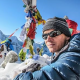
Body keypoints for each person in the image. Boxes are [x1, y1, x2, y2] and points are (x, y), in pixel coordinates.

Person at [13, 17, 80, 80]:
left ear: (67, 36)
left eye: (54, 34)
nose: (48, 39)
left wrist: (21, 76)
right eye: (44, 36)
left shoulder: (75, 51)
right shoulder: (64, 50)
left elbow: (61, 70)